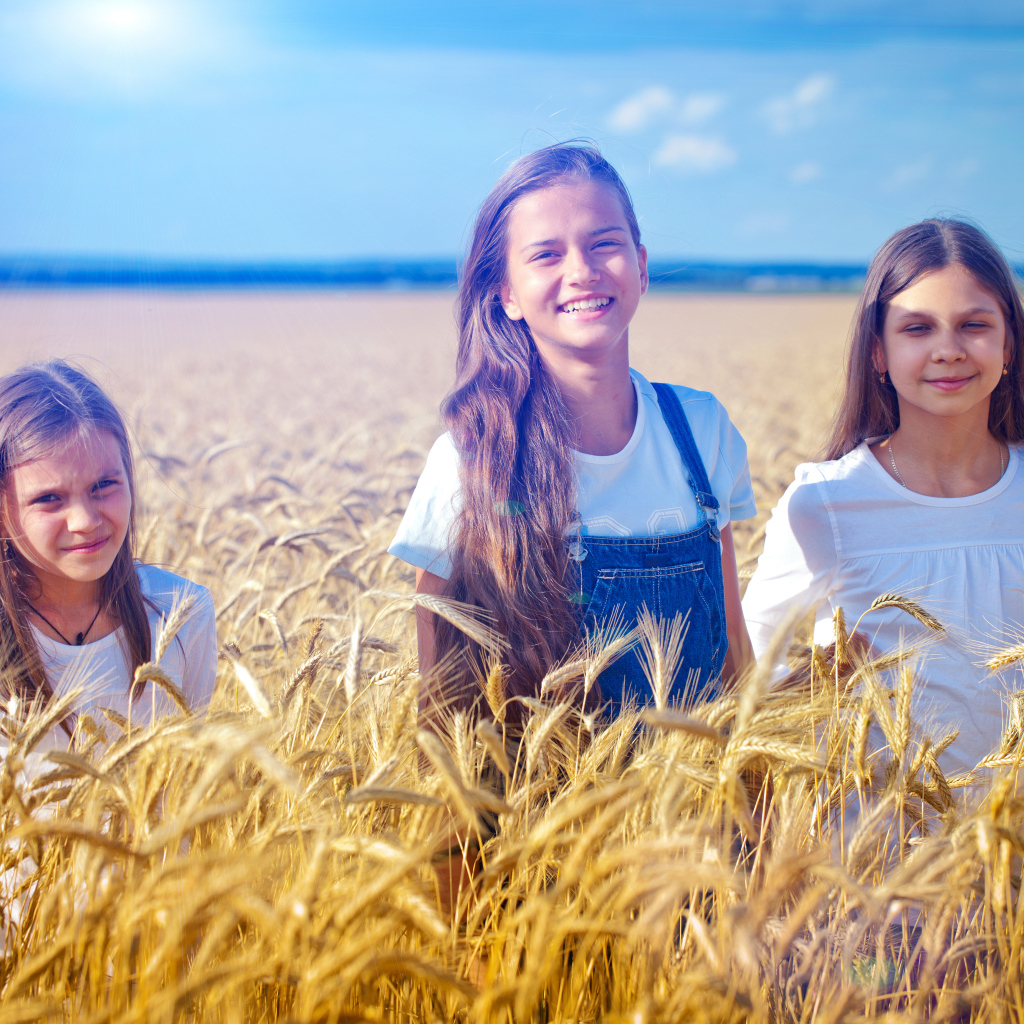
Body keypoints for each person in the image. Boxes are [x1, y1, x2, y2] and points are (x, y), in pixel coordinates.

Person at [389, 142, 756, 717]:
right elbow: (440, 705)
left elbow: (735, 658)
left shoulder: (701, 430)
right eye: (546, 255)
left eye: (603, 244)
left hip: (704, 802)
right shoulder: (471, 461)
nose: (581, 272)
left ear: (641, 264)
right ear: (506, 293)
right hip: (543, 803)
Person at [742, 219, 1024, 776]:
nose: (948, 350)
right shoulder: (825, 505)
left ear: (1009, 345)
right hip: (871, 850)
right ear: (878, 353)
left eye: (974, 325)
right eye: (917, 329)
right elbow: (747, 680)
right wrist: (811, 684)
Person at [0, 360, 218, 753]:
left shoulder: (183, 614)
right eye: (49, 499)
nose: (84, 521)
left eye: (103, 485)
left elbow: (192, 775)